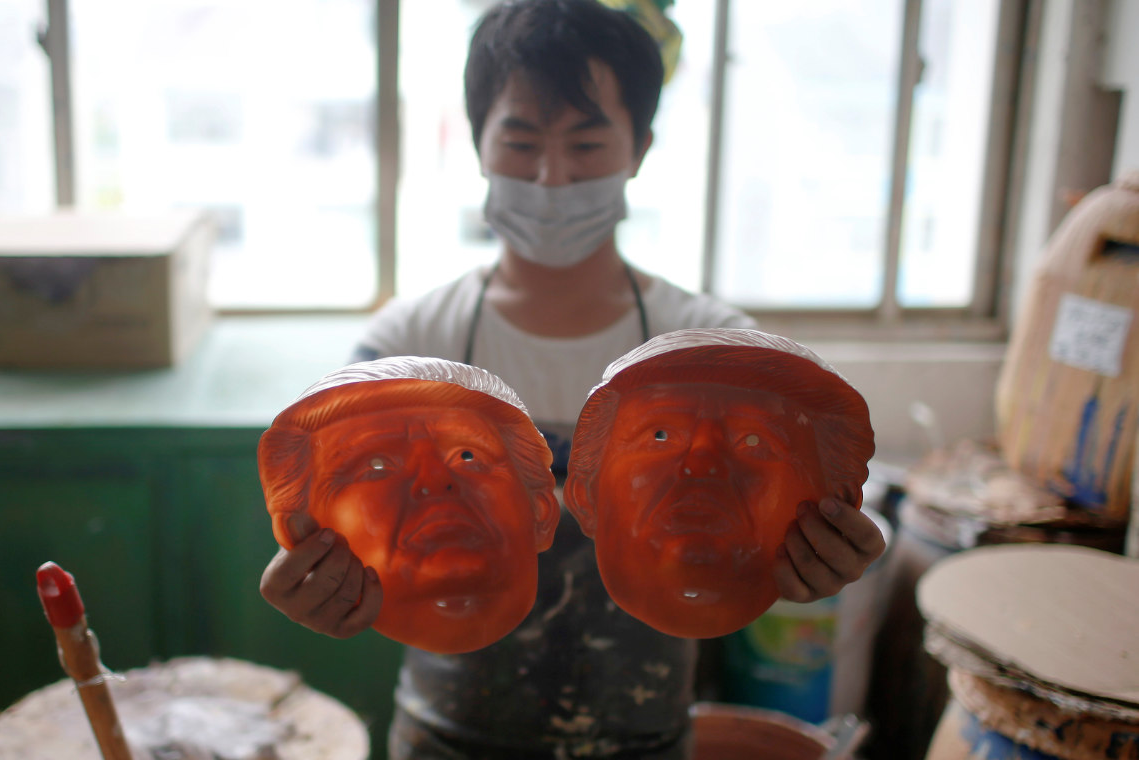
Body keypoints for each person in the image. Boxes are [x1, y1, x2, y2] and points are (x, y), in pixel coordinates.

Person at [259, 1, 887, 757]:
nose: (552, 176)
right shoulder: (407, 343)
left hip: (645, 738)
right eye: (521, 141)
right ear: (479, 143)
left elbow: (780, 515)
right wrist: (317, 581)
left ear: (641, 147)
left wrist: (811, 559)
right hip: (445, 737)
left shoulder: (719, 359)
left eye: (587, 143)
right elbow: (336, 525)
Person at [564, 328, 876, 640]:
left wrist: (824, 555)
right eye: (660, 435)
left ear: (836, 498)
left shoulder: (710, 320)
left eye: (754, 441)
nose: (701, 465)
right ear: (585, 494)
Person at [258, 357, 559, 654]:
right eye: (376, 466)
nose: (436, 480)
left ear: (542, 512)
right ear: (299, 529)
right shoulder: (406, 329)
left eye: (468, 455)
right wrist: (311, 569)